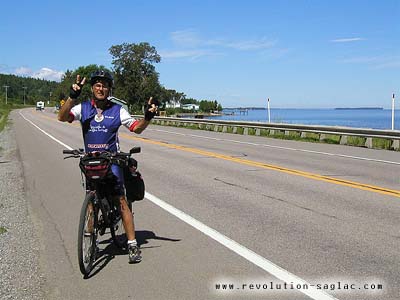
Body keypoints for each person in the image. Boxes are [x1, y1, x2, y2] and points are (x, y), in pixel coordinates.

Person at [58, 69, 158, 263]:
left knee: (121, 201)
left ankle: (132, 245)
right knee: (90, 204)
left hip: (111, 162)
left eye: (104, 85)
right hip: (91, 162)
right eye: (97, 84)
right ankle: (91, 242)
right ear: (92, 88)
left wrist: (147, 117)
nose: (100, 88)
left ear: (109, 89)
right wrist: (72, 97)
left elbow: (136, 128)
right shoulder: (83, 107)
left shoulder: (117, 110)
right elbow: (62, 117)